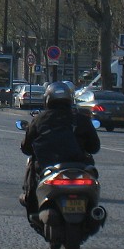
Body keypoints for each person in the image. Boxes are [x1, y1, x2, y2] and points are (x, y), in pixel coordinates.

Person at [19, 81, 100, 212]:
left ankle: (31, 200)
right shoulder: (81, 119)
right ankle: (92, 207)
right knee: (92, 177)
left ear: (47, 99)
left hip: (48, 167)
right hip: (79, 166)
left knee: (31, 165)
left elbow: (26, 148)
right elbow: (94, 147)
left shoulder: (40, 119)